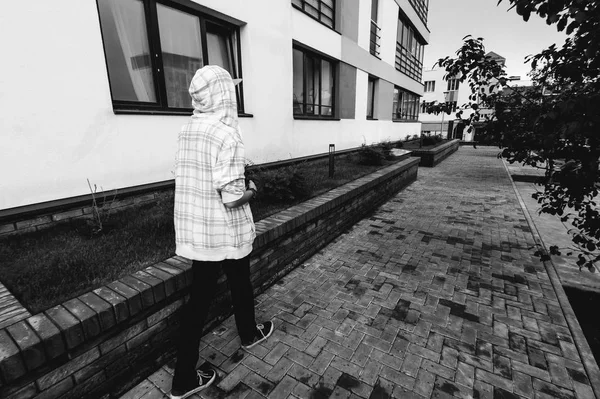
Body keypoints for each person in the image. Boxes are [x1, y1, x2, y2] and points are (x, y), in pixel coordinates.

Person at [170, 65, 274, 399]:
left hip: (200, 231)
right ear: (223, 94)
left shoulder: (189, 128)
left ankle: (184, 376)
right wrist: (252, 190)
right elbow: (231, 199)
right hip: (224, 230)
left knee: (199, 301)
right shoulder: (226, 134)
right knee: (240, 280)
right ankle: (248, 333)